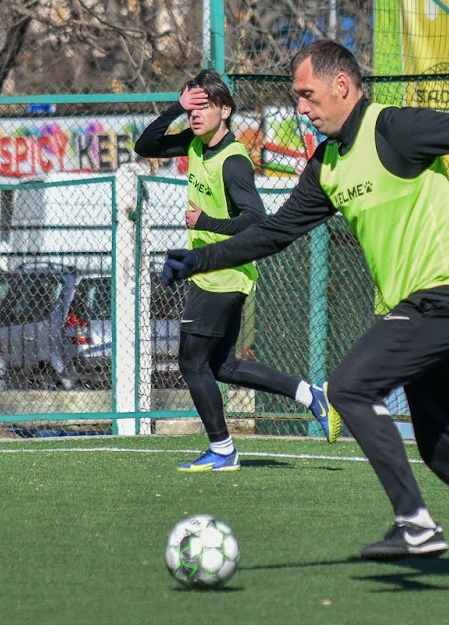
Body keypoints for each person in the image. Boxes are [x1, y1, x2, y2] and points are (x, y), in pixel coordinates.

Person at [158, 40, 449, 581]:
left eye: (307, 94)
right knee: (445, 449)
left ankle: (414, 523)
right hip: (434, 305)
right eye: (297, 98)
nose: (301, 108)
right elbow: (275, 232)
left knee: (348, 389)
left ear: (341, 85)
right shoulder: (326, 164)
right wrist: (198, 258)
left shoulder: (394, 129)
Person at [134, 69, 340, 472]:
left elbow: (255, 220)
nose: (195, 114)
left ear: (225, 110)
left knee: (192, 364)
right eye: (191, 105)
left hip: (221, 276)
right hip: (215, 275)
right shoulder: (196, 144)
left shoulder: (233, 161)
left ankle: (223, 449)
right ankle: (311, 395)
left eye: (204, 105)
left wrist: (207, 223)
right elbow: (146, 145)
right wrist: (178, 106)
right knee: (222, 366)